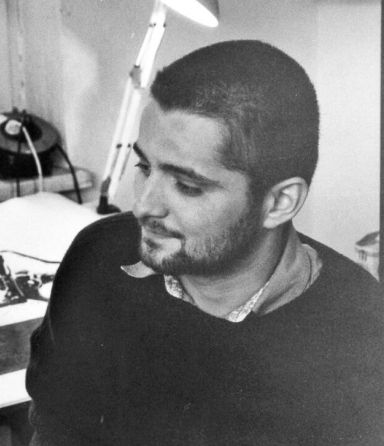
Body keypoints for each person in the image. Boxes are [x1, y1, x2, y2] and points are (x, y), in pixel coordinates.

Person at [26, 40, 384, 445]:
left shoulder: (361, 332)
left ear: (279, 203)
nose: (143, 206)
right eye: (144, 167)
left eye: (187, 186)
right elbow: (55, 426)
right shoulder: (97, 255)